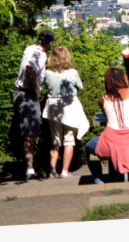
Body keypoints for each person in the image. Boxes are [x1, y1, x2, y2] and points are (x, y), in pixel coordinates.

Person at [85, 68, 129, 184]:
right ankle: (112, 179)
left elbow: (107, 116)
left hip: (109, 146)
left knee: (88, 146)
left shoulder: (103, 100)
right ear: (124, 78)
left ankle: (99, 181)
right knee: (114, 146)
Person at [12, 30, 54, 180]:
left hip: (20, 93)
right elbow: (30, 68)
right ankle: (29, 169)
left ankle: (29, 168)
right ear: (49, 43)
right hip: (27, 94)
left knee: (27, 133)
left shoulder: (29, 48)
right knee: (31, 133)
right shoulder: (40, 54)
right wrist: (36, 89)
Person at [42, 45, 89, 178]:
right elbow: (80, 87)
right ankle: (64, 171)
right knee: (69, 140)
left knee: (55, 140)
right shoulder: (73, 72)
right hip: (70, 106)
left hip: (53, 106)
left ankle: (52, 170)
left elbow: (45, 87)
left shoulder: (47, 73)